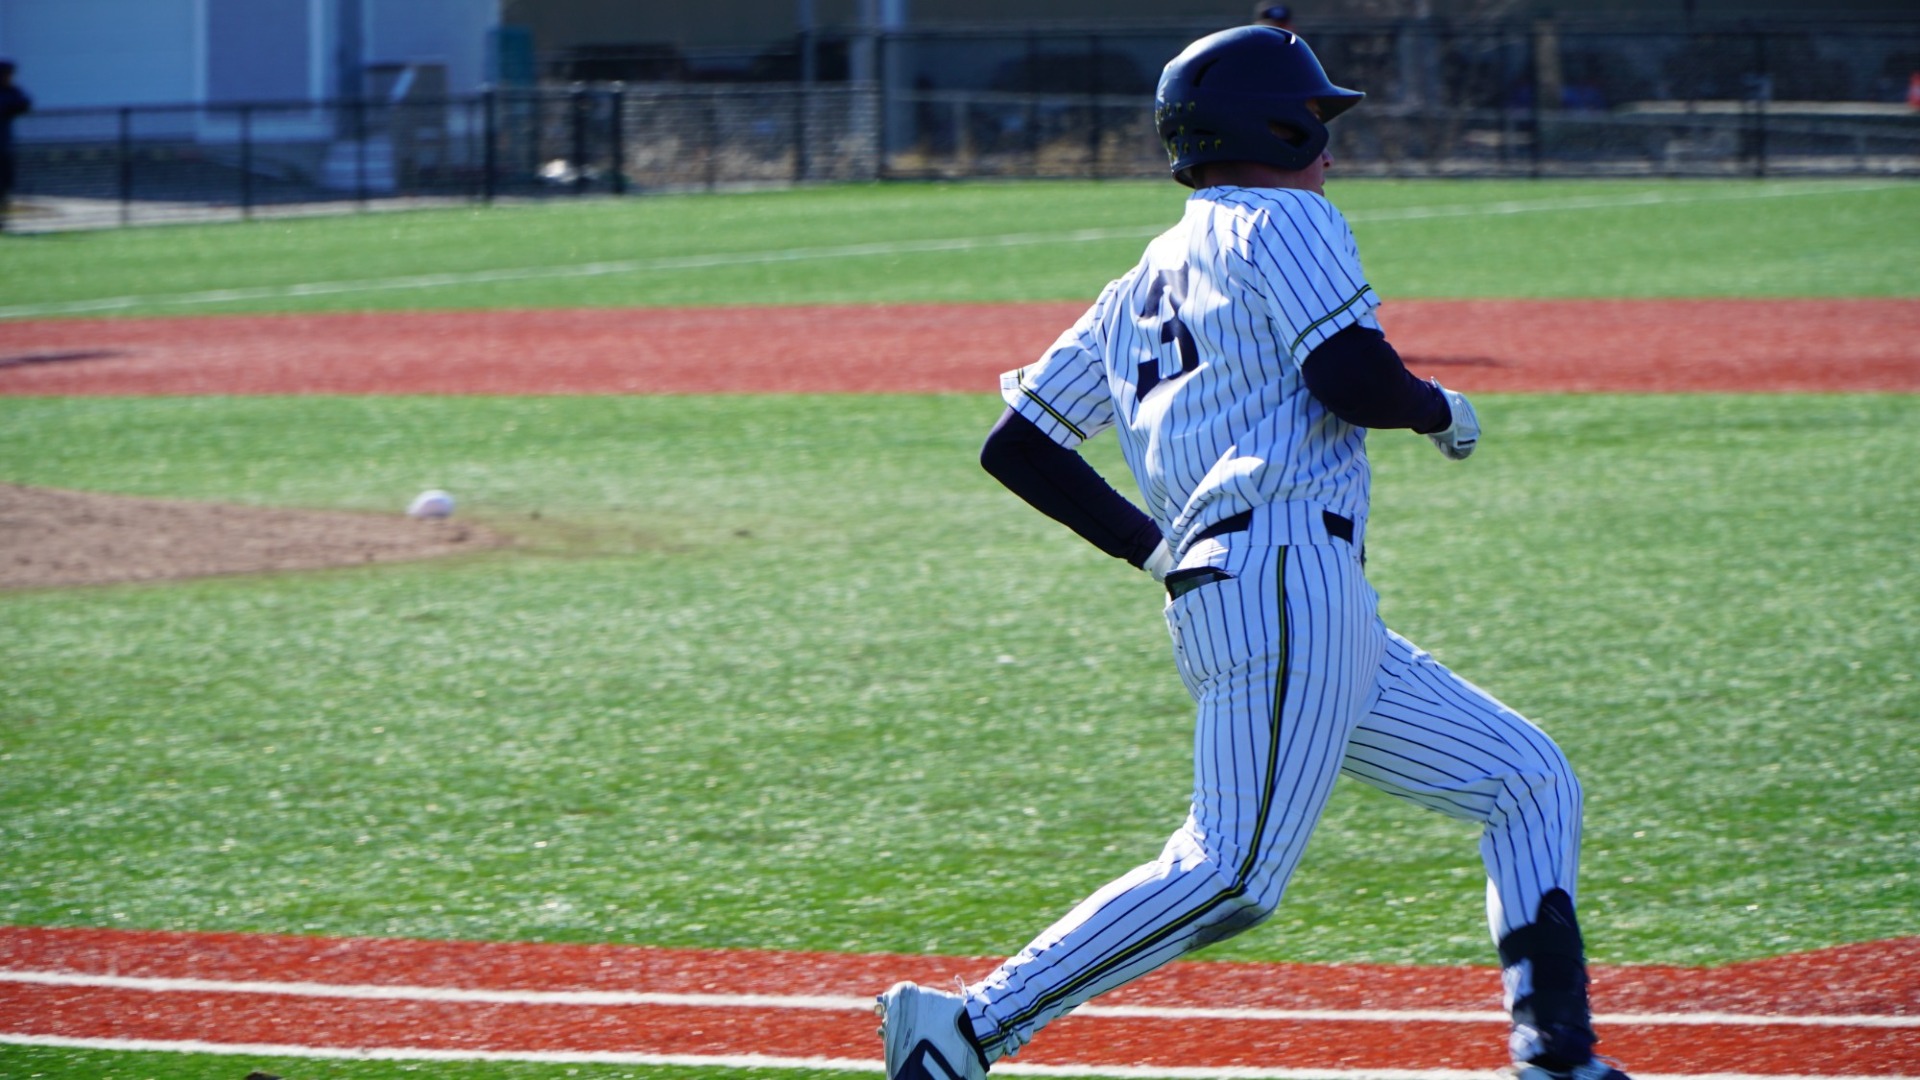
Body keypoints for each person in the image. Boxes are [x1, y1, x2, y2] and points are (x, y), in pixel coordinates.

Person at [875, 26, 1630, 1080]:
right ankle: (967, 1027)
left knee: (1526, 781)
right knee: (1233, 873)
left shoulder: (1141, 278)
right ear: (1272, 126)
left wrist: (1156, 553)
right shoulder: (1285, 216)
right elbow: (1352, 378)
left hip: (1266, 593)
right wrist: (1440, 410)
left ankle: (1558, 1056)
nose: (1328, 144)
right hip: (1283, 576)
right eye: (1316, 119)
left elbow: (1021, 445)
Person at [0, 58, 30, 229]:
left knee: (4, 186)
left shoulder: (11, 91)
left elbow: (25, 103)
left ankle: (2, 221)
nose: (8, 78)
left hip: (4, 148)